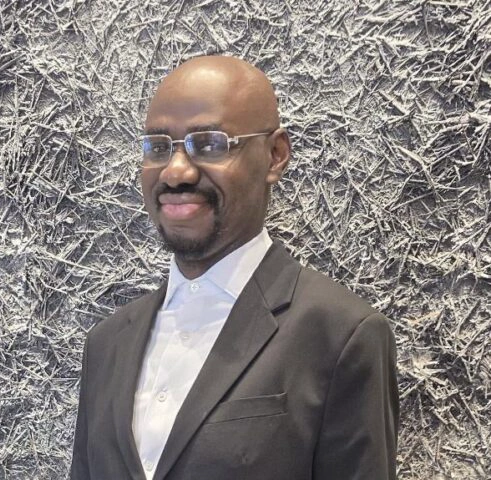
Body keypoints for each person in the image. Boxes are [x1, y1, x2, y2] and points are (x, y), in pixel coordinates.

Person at [70, 55, 399, 480]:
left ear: (275, 155)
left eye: (209, 144)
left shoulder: (341, 335)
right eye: (158, 147)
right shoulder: (106, 344)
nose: (175, 171)